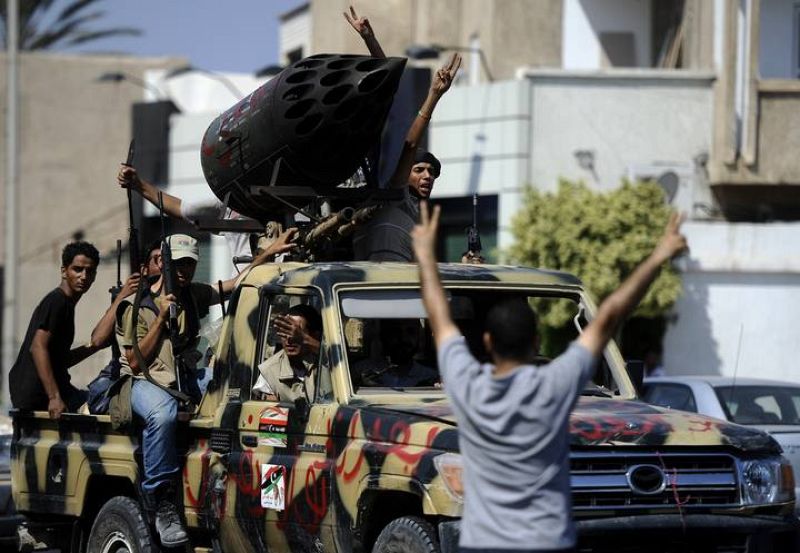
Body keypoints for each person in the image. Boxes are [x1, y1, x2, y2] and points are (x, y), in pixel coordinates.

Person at [411, 204, 688, 553]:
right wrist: (659, 255)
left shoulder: (466, 383)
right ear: (537, 342)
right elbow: (609, 315)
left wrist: (425, 254)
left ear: (486, 342)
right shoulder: (554, 385)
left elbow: (438, 315)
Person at [116, 231, 296, 547]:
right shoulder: (137, 303)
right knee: (162, 414)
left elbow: (234, 285)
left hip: (182, 379)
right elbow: (134, 362)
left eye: (190, 264)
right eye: (179, 264)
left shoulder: (191, 294)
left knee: (235, 387)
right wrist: (161, 319)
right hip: (144, 381)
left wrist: (268, 256)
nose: (185, 271)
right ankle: (163, 503)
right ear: (164, 263)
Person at [346, 6, 461, 261]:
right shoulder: (394, 194)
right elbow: (410, 144)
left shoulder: (415, 215)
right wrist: (434, 95)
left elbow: (390, 89)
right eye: (419, 170)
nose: (427, 176)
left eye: (431, 173)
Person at [10, 242, 139, 418]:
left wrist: (92, 347)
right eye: (77, 269)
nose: (84, 276)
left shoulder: (67, 305)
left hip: (51, 391)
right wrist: (54, 397)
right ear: (64, 271)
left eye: (90, 271)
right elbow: (38, 347)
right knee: (110, 404)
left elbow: (60, 360)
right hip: (38, 394)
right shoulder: (57, 302)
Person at [117, 166, 256, 275]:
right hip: (245, 287)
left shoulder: (277, 199)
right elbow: (181, 209)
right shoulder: (228, 202)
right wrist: (138, 184)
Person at [253, 304, 322, 403]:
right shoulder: (270, 370)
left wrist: (304, 339)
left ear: (313, 335)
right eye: (284, 333)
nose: (289, 340)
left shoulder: (326, 362)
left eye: (296, 333)